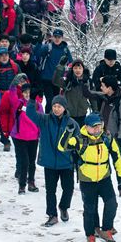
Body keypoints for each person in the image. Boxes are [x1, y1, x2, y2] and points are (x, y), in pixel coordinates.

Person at [58, 113, 121, 242]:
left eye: (99, 126)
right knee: (90, 208)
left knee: (112, 203)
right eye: (93, 127)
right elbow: (62, 146)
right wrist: (68, 132)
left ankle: (106, 229)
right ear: (86, 127)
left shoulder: (107, 138)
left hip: (104, 177)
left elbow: (117, 156)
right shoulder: (80, 140)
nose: (97, 130)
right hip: (87, 179)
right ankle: (90, 235)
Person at [26, 95, 79, 227]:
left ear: (64, 107)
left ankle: (63, 207)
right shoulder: (45, 120)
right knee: (50, 190)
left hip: (66, 162)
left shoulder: (72, 123)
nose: (56, 109)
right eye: (54, 106)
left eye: (59, 106)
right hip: (49, 162)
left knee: (68, 189)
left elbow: (78, 143)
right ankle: (52, 215)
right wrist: (32, 100)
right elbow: (30, 114)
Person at [9, 82, 42, 194]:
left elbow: (42, 120)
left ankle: (31, 182)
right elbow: (12, 95)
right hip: (20, 137)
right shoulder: (18, 103)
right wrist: (13, 85)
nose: (27, 94)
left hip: (33, 137)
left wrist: (41, 134)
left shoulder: (38, 105)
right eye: (25, 92)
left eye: (29, 92)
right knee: (24, 162)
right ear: (22, 93)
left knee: (32, 161)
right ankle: (22, 184)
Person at [52, 59, 97, 127]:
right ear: (72, 69)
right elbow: (55, 81)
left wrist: (95, 112)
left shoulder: (88, 82)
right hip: (68, 115)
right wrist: (60, 66)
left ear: (83, 69)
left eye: (80, 68)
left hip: (82, 115)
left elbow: (93, 98)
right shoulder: (68, 81)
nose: (77, 70)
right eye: (75, 68)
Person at [39, 29, 72, 113]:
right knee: (50, 102)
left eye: (59, 37)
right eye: (55, 37)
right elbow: (38, 54)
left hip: (58, 80)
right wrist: (38, 43)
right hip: (47, 78)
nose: (57, 39)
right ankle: (47, 119)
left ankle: (55, 119)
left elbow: (71, 63)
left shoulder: (65, 50)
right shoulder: (47, 47)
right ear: (52, 37)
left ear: (62, 38)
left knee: (56, 102)